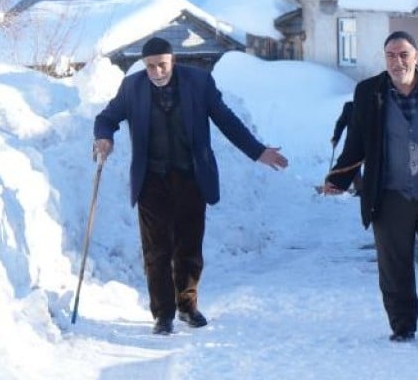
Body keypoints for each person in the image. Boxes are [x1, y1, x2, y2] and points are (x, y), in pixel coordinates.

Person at [93, 37, 289, 335]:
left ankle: (187, 306)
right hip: (151, 180)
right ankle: (162, 314)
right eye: (150, 66)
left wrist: (258, 151)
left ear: (173, 60)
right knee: (156, 250)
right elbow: (106, 118)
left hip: (191, 177)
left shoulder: (198, 83)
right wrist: (103, 137)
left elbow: (226, 120)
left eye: (162, 64)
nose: (157, 71)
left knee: (189, 247)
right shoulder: (132, 87)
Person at [322, 31, 418, 347]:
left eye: (404, 54)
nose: (397, 62)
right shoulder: (369, 92)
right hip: (390, 192)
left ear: (416, 56)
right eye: (391, 55)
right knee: (394, 263)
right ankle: (402, 325)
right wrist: (339, 178)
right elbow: (357, 141)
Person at [330, 100, 362, 193]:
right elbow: (341, 123)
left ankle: (365, 187)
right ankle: (358, 187)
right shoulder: (349, 106)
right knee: (348, 162)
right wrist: (336, 137)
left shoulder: (371, 106)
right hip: (352, 142)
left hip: (368, 143)